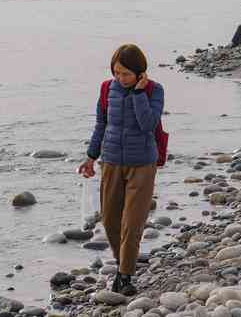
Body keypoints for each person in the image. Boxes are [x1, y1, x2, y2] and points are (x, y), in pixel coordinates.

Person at [77, 44, 164, 296]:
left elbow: (148, 124)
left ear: (140, 73)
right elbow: (101, 124)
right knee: (111, 219)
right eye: (116, 72)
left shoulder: (154, 90)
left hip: (142, 164)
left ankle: (125, 275)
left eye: (126, 73)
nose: (120, 78)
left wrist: (138, 94)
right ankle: (121, 264)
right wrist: (91, 157)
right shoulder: (107, 89)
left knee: (133, 222)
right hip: (112, 161)